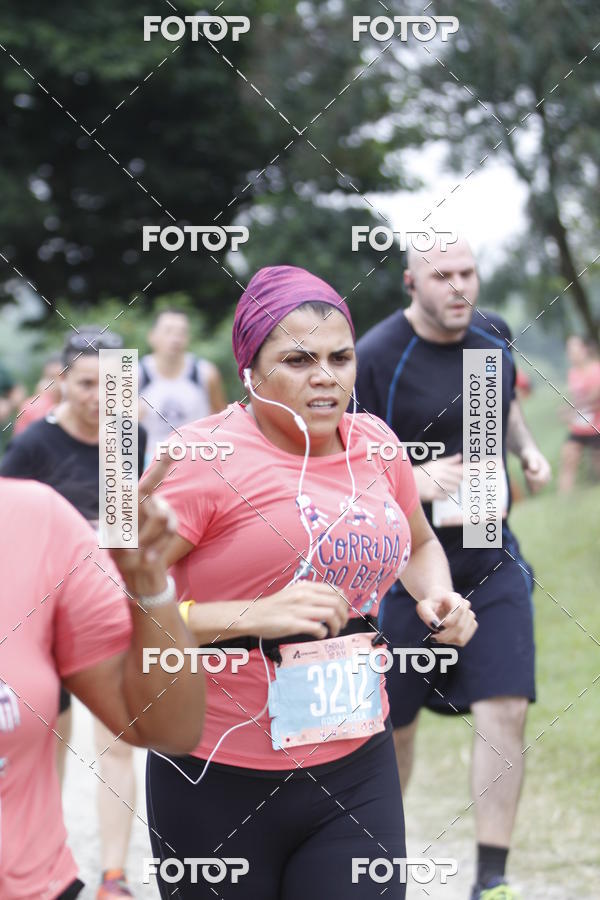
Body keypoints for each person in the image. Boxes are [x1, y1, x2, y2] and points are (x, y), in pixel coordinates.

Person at [144, 264, 477, 900]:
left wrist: (438, 594)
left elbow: (421, 543)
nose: (325, 376)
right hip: (212, 769)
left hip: (353, 767)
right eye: (298, 359)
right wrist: (252, 615)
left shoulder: (377, 445)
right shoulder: (200, 459)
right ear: (249, 367)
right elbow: (114, 609)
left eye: (340, 357)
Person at [355, 236, 552, 900]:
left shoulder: (491, 338)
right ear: (412, 282)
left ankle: (491, 880)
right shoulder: (379, 354)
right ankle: (382, 865)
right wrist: (417, 479)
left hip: (491, 556)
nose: (459, 286)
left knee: (506, 707)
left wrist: (525, 452)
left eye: (468, 272)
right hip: (406, 572)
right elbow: (344, 468)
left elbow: (509, 410)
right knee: (396, 729)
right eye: (443, 275)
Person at [0, 462, 205, 900]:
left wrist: (148, 581)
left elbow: (168, 728)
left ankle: (114, 874)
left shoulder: (36, 519)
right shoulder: (37, 449)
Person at [0, 328, 148, 899]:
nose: (99, 397)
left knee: (119, 737)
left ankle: (114, 874)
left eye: (113, 385)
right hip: (42, 619)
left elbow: (121, 525)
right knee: (46, 743)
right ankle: (43, 859)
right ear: (61, 382)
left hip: (105, 610)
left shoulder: (124, 437)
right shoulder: (34, 445)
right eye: (88, 384)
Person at [138, 308, 227, 461]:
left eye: (181, 333)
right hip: (147, 461)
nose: (175, 338)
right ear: (152, 336)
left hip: (194, 460)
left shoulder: (205, 373)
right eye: (168, 331)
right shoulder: (135, 375)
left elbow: (223, 422)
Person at [558, 334, 600, 493]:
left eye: (574, 349)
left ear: (584, 350)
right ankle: (563, 503)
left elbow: (595, 399)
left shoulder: (596, 370)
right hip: (579, 428)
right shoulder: (573, 373)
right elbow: (577, 399)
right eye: (569, 350)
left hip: (596, 427)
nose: (571, 354)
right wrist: (571, 412)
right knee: (568, 458)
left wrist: (571, 411)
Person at [13, 351, 63, 435]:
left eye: (61, 377)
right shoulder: (31, 408)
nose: (56, 383)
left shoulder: (80, 407)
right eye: (51, 377)